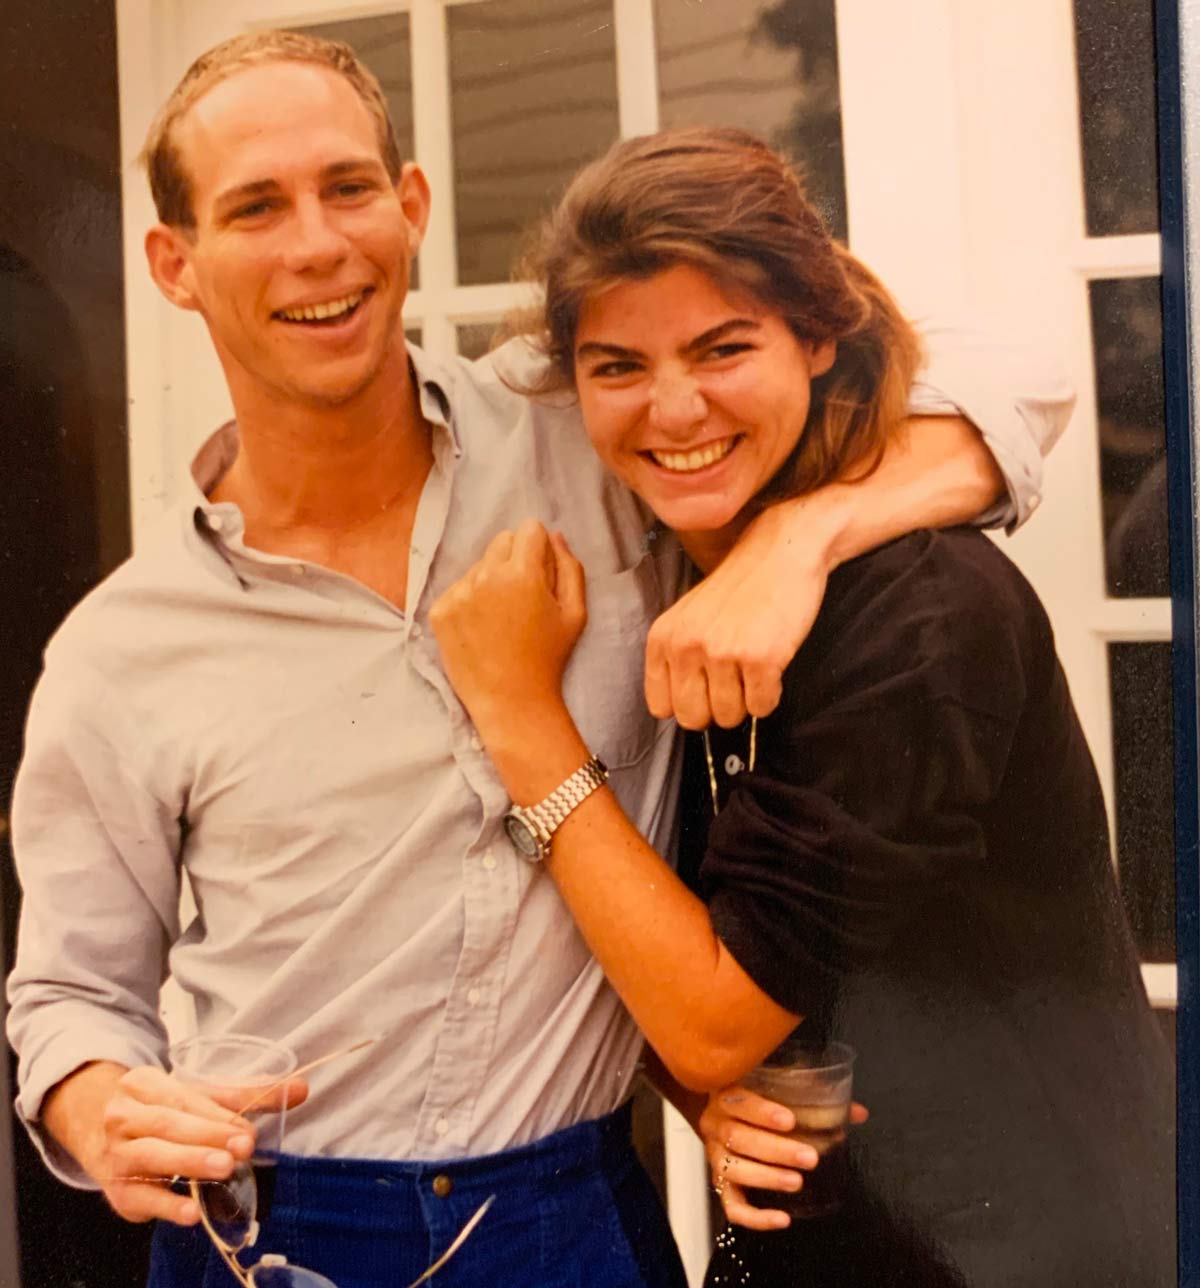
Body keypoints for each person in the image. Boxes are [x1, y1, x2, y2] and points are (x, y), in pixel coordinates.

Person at [6, 32, 1070, 1288]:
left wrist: (799, 534)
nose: (317, 244)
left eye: (349, 188)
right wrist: (95, 1108)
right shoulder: (121, 648)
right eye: (256, 207)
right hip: (268, 1228)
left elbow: (1021, 376)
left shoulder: (600, 426)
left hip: (573, 1215)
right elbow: (66, 993)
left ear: (410, 207)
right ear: (174, 266)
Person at [429, 127, 1175, 1287]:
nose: (673, 410)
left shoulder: (919, 614)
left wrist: (519, 716)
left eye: (723, 347)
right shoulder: (675, 581)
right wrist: (703, 1096)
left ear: (819, 339)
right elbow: (705, 981)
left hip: (1034, 1245)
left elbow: (716, 1013)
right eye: (617, 366)